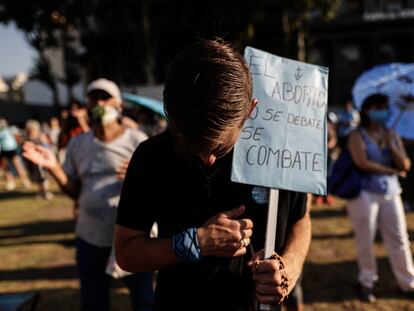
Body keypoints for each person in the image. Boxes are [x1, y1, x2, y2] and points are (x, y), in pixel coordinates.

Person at [115, 39, 311, 311]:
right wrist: (195, 242)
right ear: (170, 116)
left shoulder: (278, 153)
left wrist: (288, 267)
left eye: (221, 147)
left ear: (250, 111)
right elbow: (126, 252)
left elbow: (300, 220)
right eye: (192, 145)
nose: (207, 158)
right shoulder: (151, 156)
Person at [23, 78, 154, 311]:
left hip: (133, 237)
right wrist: (53, 167)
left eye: (106, 98)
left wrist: (139, 179)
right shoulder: (78, 144)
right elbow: (74, 192)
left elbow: (157, 193)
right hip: (90, 238)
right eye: (94, 98)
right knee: (93, 302)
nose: (100, 103)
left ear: (119, 105)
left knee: (144, 300)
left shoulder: (138, 141)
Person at [347, 93, 414, 302]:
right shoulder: (357, 135)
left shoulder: (391, 134)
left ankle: (408, 282)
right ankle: (366, 282)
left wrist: (393, 146)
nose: (384, 111)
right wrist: (388, 169)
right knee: (365, 239)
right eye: (380, 107)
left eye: (386, 107)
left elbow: (405, 166)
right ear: (368, 110)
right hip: (363, 193)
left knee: (399, 239)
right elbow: (362, 162)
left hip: (390, 192)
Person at [0, 117, 31, 190]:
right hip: (4, 151)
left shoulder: (11, 129)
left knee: (18, 166)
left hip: (13, 150)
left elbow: (19, 137)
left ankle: (25, 181)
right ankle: (11, 183)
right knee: (6, 168)